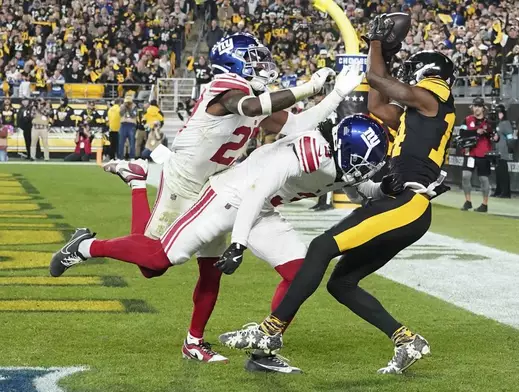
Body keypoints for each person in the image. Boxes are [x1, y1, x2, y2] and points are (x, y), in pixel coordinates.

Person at [50, 33, 360, 363]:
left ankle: (193, 342)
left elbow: (297, 123)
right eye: (253, 57)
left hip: (216, 184)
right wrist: (310, 88)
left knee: (210, 269)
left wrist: (337, 93)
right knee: (152, 266)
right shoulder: (225, 87)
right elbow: (251, 107)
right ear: (234, 61)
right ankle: (87, 243)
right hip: (183, 182)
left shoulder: (256, 94)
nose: (262, 63)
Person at [51, 114, 386, 374]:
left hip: (262, 207)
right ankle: (84, 247)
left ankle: (260, 349)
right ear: (342, 149)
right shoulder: (305, 152)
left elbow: (355, 185)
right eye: (362, 163)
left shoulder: (343, 159)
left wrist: (390, 190)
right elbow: (254, 193)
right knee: (159, 260)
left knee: (301, 274)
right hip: (229, 197)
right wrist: (238, 244)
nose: (363, 171)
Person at [218, 19, 455, 375]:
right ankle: (407, 340)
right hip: (404, 205)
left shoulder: (435, 94)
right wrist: (380, 52)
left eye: (411, 71)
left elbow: (377, 81)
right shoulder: (422, 111)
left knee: (320, 247)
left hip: (408, 202)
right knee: (341, 283)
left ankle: (270, 332)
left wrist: (377, 45)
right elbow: (377, 103)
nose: (406, 76)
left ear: (425, 73)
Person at [460, 97, 499, 212]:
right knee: (465, 176)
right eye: (475, 106)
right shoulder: (467, 120)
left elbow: (494, 136)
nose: (476, 109)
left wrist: (496, 137)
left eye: (479, 106)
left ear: (483, 108)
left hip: (483, 153)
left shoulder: (488, 122)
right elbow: (462, 133)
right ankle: (468, 201)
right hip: (470, 152)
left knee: (483, 179)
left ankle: (484, 204)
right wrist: (475, 131)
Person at [491, 104, 513, 198]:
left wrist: (510, 147)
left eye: (500, 113)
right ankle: (499, 190)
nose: (498, 115)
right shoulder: (498, 124)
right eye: (497, 113)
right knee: (498, 172)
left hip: (503, 151)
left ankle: (505, 192)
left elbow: (510, 137)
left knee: (503, 172)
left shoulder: (506, 123)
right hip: (497, 151)